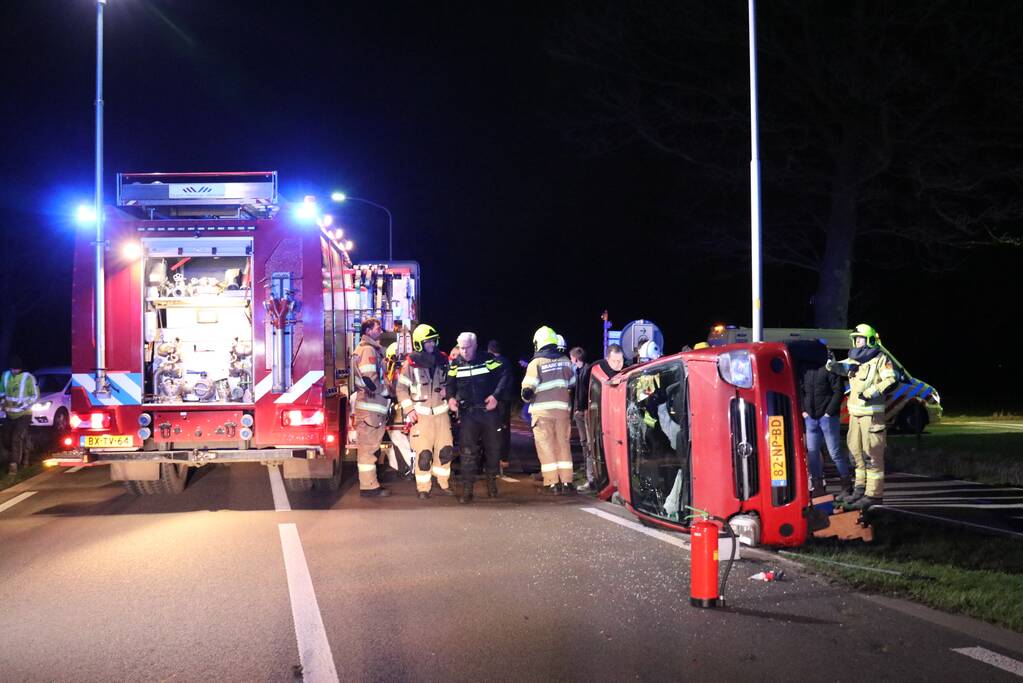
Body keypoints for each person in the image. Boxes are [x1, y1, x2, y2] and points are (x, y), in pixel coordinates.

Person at [827, 323, 898, 510]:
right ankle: (859, 489)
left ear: (870, 340)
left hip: (871, 416)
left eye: (860, 338)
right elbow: (841, 369)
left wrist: (872, 392)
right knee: (856, 454)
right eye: (855, 338)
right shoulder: (855, 359)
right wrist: (830, 363)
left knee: (872, 456)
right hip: (855, 415)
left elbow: (891, 379)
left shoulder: (881, 358)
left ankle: (874, 495)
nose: (857, 341)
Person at [447, 332, 509, 503]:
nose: (464, 351)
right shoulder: (455, 363)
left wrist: (496, 396)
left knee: (493, 449)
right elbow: (449, 384)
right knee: (467, 452)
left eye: (467, 348)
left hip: (488, 412)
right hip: (468, 414)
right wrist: (450, 398)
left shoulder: (488, 359)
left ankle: (491, 483)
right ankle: (467, 490)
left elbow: (505, 375)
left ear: (475, 346)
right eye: (461, 347)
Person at [397, 324, 455, 499]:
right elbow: (400, 389)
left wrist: (449, 392)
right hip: (421, 417)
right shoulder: (410, 364)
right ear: (419, 344)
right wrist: (409, 410)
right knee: (424, 454)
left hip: (442, 414)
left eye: (433, 341)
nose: (431, 344)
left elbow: (452, 382)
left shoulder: (444, 361)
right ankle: (423, 487)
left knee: (446, 451)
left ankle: (443, 482)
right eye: (427, 342)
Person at [791, 340, 852, 499]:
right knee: (812, 453)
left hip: (827, 418)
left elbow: (838, 391)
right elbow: (800, 390)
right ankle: (818, 487)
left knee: (835, 453)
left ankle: (846, 485)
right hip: (811, 418)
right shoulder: (805, 368)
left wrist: (828, 413)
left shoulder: (830, 367)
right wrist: (804, 411)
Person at [521, 326, 576, 494]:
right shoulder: (566, 361)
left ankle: (552, 483)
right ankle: (567, 482)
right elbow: (572, 383)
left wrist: (527, 393)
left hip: (543, 414)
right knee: (563, 445)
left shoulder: (535, 363)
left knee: (546, 446)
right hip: (562, 413)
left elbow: (527, 391)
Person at [352, 318, 392, 497]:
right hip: (370, 409)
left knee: (369, 448)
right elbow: (370, 378)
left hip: (370, 409)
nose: (381, 331)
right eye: (377, 328)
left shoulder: (368, 349)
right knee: (368, 449)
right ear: (368, 330)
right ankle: (369, 487)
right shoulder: (368, 349)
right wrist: (386, 392)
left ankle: (370, 484)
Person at [576, 344, 625, 490]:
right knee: (593, 446)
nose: (618, 364)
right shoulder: (596, 369)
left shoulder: (627, 370)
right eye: (614, 361)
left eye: (620, 360)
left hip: (617, 417)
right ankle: (593, 480)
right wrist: (583, 408)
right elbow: (584, 388)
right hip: (596, 415)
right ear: (607, 359)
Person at [1, 355, 38, 474]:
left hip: (24, 414)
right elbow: (2, 392)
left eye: (16, 369)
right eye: (12, 369)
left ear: (21, 369)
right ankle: (27, 447)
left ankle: (14, 465)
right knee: (6, 439)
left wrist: (23, 405)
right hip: (9, 414)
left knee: (16, 438)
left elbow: (35, 396)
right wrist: (2, 403)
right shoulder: (5, 376)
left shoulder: (28, 378)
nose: (14, 371)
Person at [487, 340, 514, 468]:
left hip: (495, 400)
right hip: (505, 400)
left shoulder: (491, 363)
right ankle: (504, 459)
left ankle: (494, 458)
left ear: (490, 350)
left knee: (493, 429)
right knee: (504, 428)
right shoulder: (507, 362)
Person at [568, 347, 590, 486]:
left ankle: (590, 477)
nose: (571, 360)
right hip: (579, 412)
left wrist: (581, 409)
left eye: (571, 358)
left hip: (585, 412)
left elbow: (584, 393)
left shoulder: (587, 371)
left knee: (588, 444)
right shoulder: (578, 372)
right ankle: (588, 473)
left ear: (575, 359)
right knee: (584, 443)